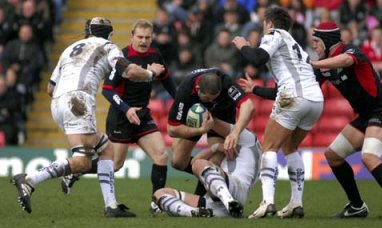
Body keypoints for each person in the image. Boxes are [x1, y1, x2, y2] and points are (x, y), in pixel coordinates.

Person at [10, 17, 165, 217]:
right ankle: (30, 179)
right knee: (82, 161)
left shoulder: (70, 48)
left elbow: (50, 88)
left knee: (106, 149)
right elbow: (129, 72)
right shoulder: (109, 47)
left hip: (57, 103)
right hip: (78, 101)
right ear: (109, 34)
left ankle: (111, 205)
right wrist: (151, 73)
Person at [61, 19, 176, 214]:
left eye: (147, 37)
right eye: (139, 37)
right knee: (115, 165)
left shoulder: (155, 56)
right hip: (121, 116)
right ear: (132, 35)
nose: (143, 41)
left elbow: (168, 82)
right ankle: (75, 171)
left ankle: (158, 201)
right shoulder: (122, 56)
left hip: (142, 114)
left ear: (152, 37)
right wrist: (126, 109)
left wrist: (181, 101)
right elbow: (107, 90)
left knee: (161, 156)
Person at [232, 6, 324, 218]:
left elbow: (258, 58)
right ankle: (296, 203)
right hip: (315, 100)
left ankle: (267, 202)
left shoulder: (275, 34)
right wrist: (254, 89)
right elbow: (281, 87)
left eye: (265, 23)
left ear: (269, 24)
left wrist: (244, 46)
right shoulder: (296, 47)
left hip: (294, 96)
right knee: (290, 147)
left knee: (269, 148)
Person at [311, 21, 382, 220]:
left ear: (327, 41)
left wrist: (314, 63)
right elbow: (307, 89)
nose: (314, 46)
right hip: (366, 116)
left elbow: (345, 61)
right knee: (332, 155)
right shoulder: (322, 65)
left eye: (316, 41)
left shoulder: (350, 51)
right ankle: (357, 206)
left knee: (369, 157)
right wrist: (259, 90)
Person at [167, 68, 255, 196]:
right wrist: (200, 130)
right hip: (198, 118)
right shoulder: (186, 89)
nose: (211, 101)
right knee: (178, 162)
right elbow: (172, 129)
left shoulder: (225, 81)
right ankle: (215, 174)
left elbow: (249, 106)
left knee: (214, 162)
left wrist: (235, 133)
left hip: (222, 114)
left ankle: (199, 201)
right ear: (197, 89)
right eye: (207, 98)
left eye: (214, 98)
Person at [153, 118, 261, 217]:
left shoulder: (247, 137)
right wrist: (216, 147)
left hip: (236, 190)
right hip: (215, 204)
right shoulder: (232, 146)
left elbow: (213, 122)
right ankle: (193, 212)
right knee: (159, 194)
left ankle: (229, 201)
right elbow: (194, 163)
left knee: (200, 164)